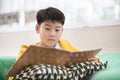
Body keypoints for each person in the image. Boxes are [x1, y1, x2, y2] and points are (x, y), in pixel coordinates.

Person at [9, 7, 99, 80]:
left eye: (57, 30)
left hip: (65, 76)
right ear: (37, 29)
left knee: (89, 69)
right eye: (47, 29)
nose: (52, 34)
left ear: (61, 31)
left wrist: (94, 60)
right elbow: (14, 75)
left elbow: (82, 56)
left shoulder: (64, 44)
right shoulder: (27, 49)